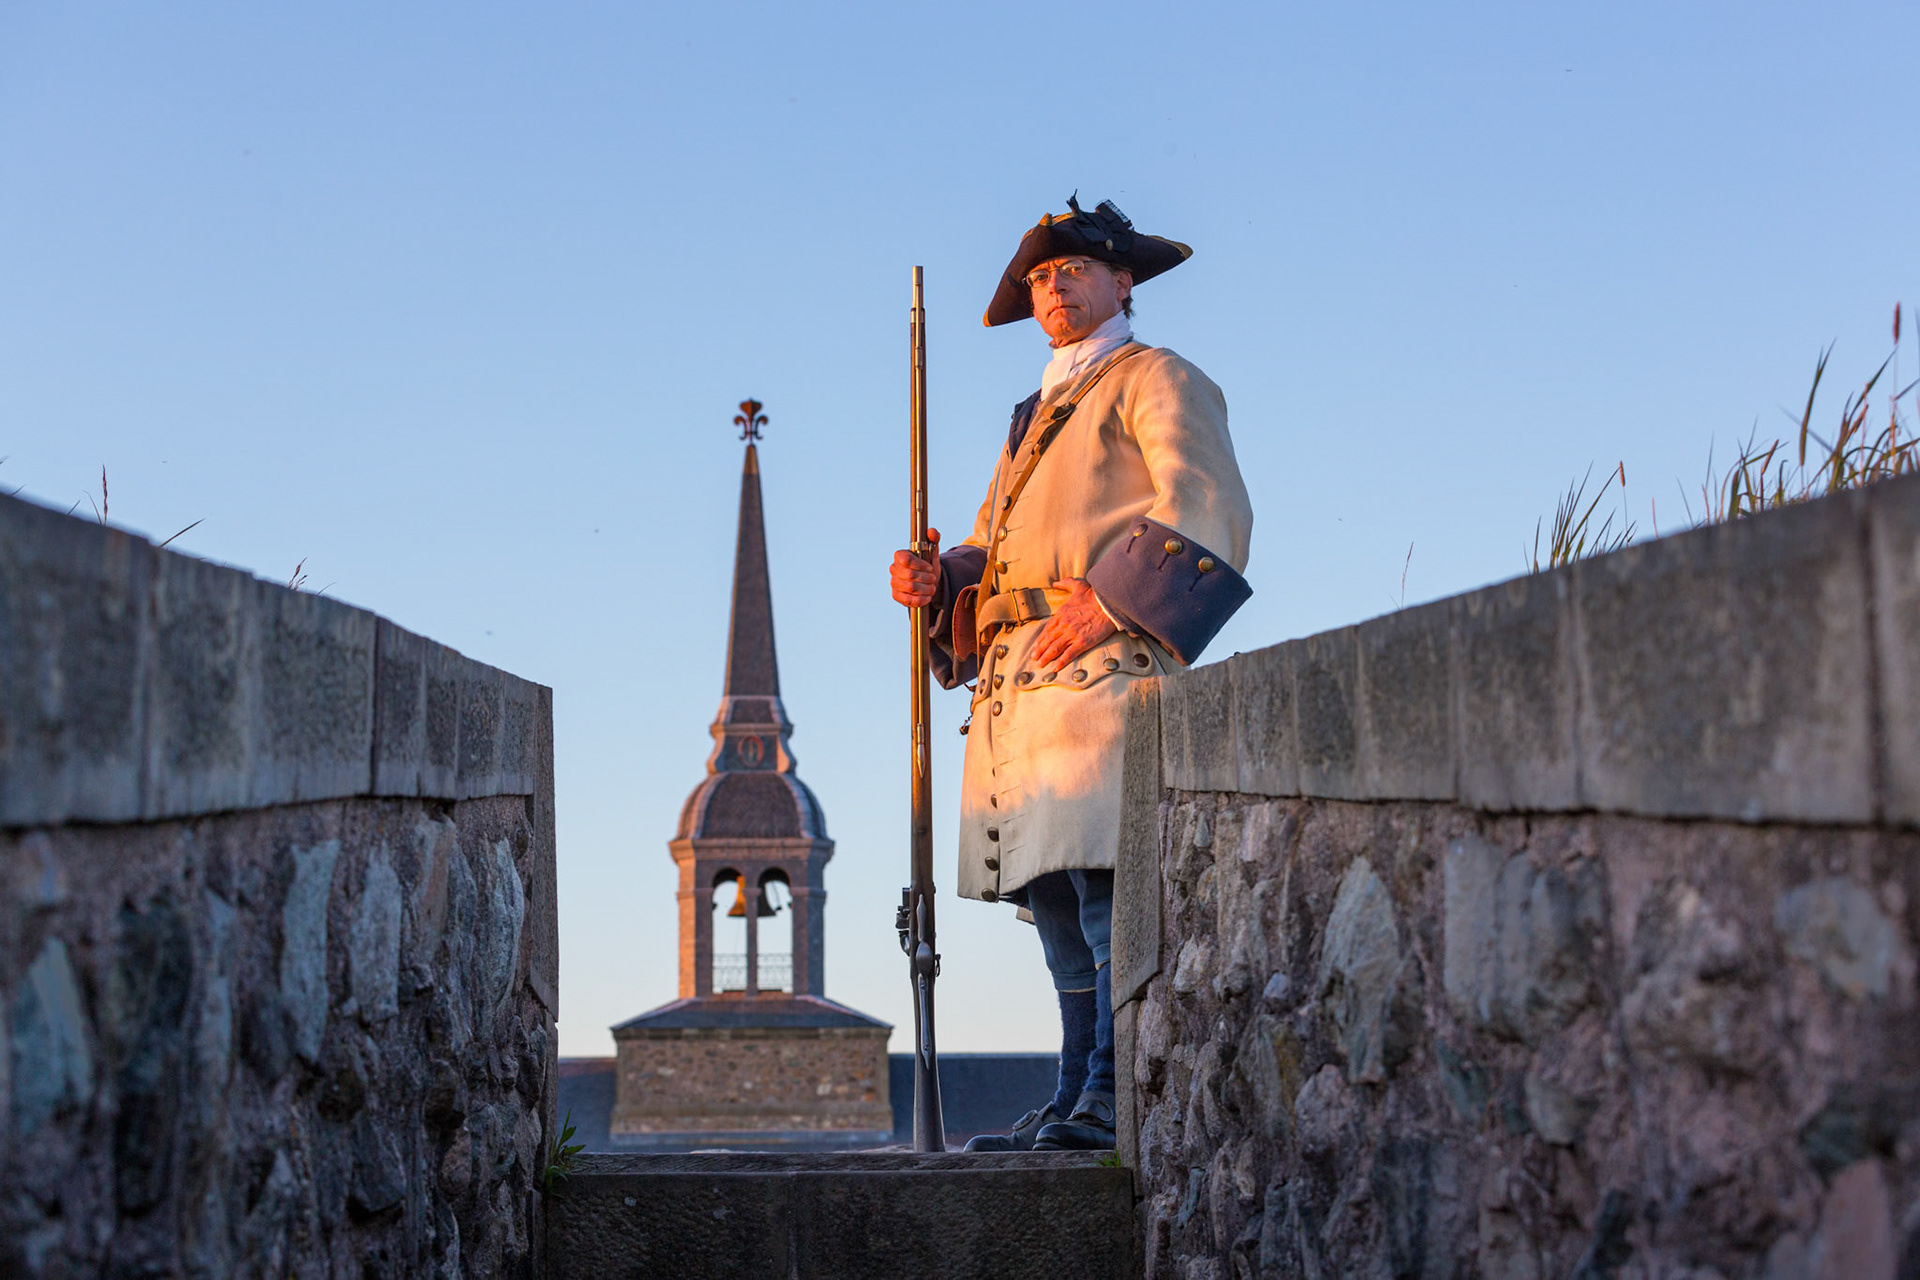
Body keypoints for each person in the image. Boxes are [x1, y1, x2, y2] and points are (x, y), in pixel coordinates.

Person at [888, 195, 1254, 1151]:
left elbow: (1205, 502)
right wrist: (941, 581)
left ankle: (1110, 1094)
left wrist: (1112, 598)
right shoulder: (1033, 417)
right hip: (1022, 693)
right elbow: (989, 547)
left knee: (1102, 892)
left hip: (1102, 672)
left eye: (1074, 270)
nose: (1056, 287)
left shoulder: (1157, 377)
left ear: (1121, 281)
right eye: (1042, 277)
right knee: (1053, 905)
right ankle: (1073, 1097)